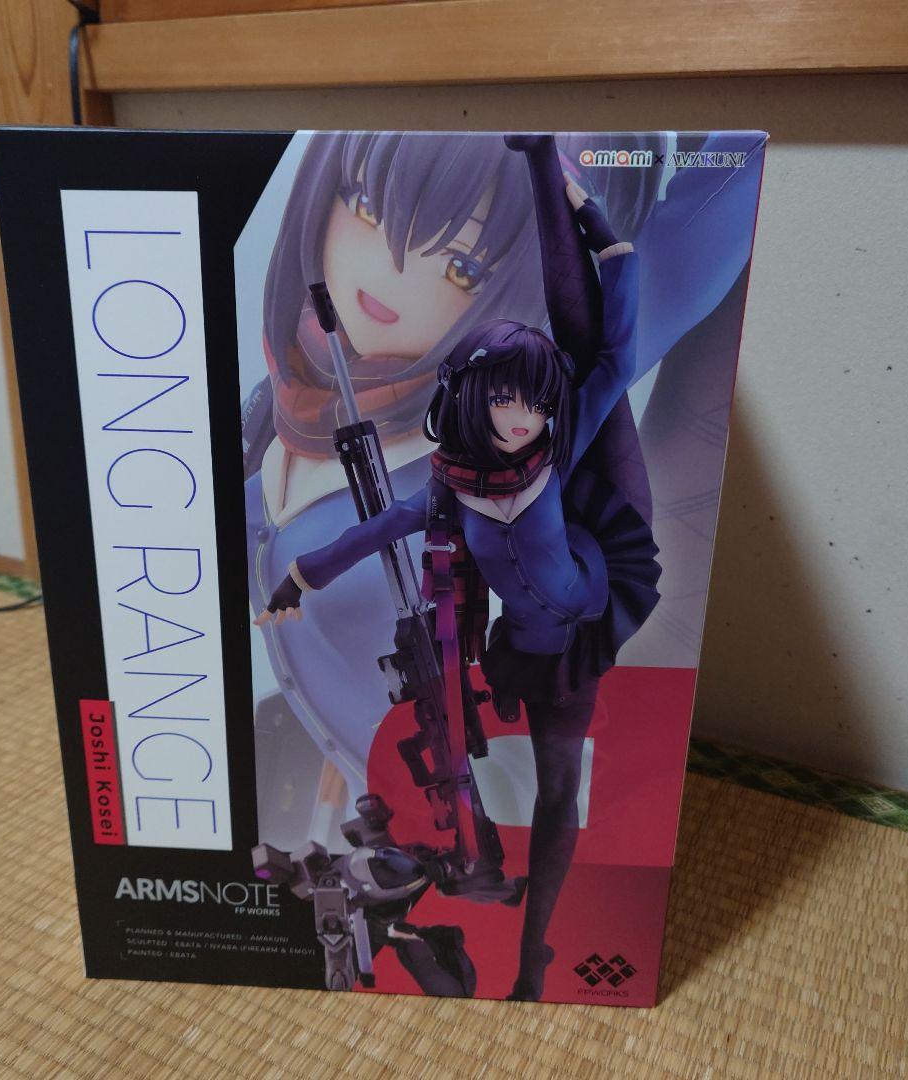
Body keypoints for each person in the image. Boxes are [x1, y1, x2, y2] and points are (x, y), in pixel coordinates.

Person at [256, 176, 661, 1001]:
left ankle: (537, 950)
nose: (522, 417)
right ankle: (478, 913)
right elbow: (378, 529)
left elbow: (617, 357)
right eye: (507, 399)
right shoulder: (450, 481)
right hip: (516, 651)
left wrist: (606, 239)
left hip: (582, 620)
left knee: (558, 793)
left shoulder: (557, 445)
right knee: (493, 771)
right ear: (477, 395)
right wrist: (301, 577)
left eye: (535, 402)